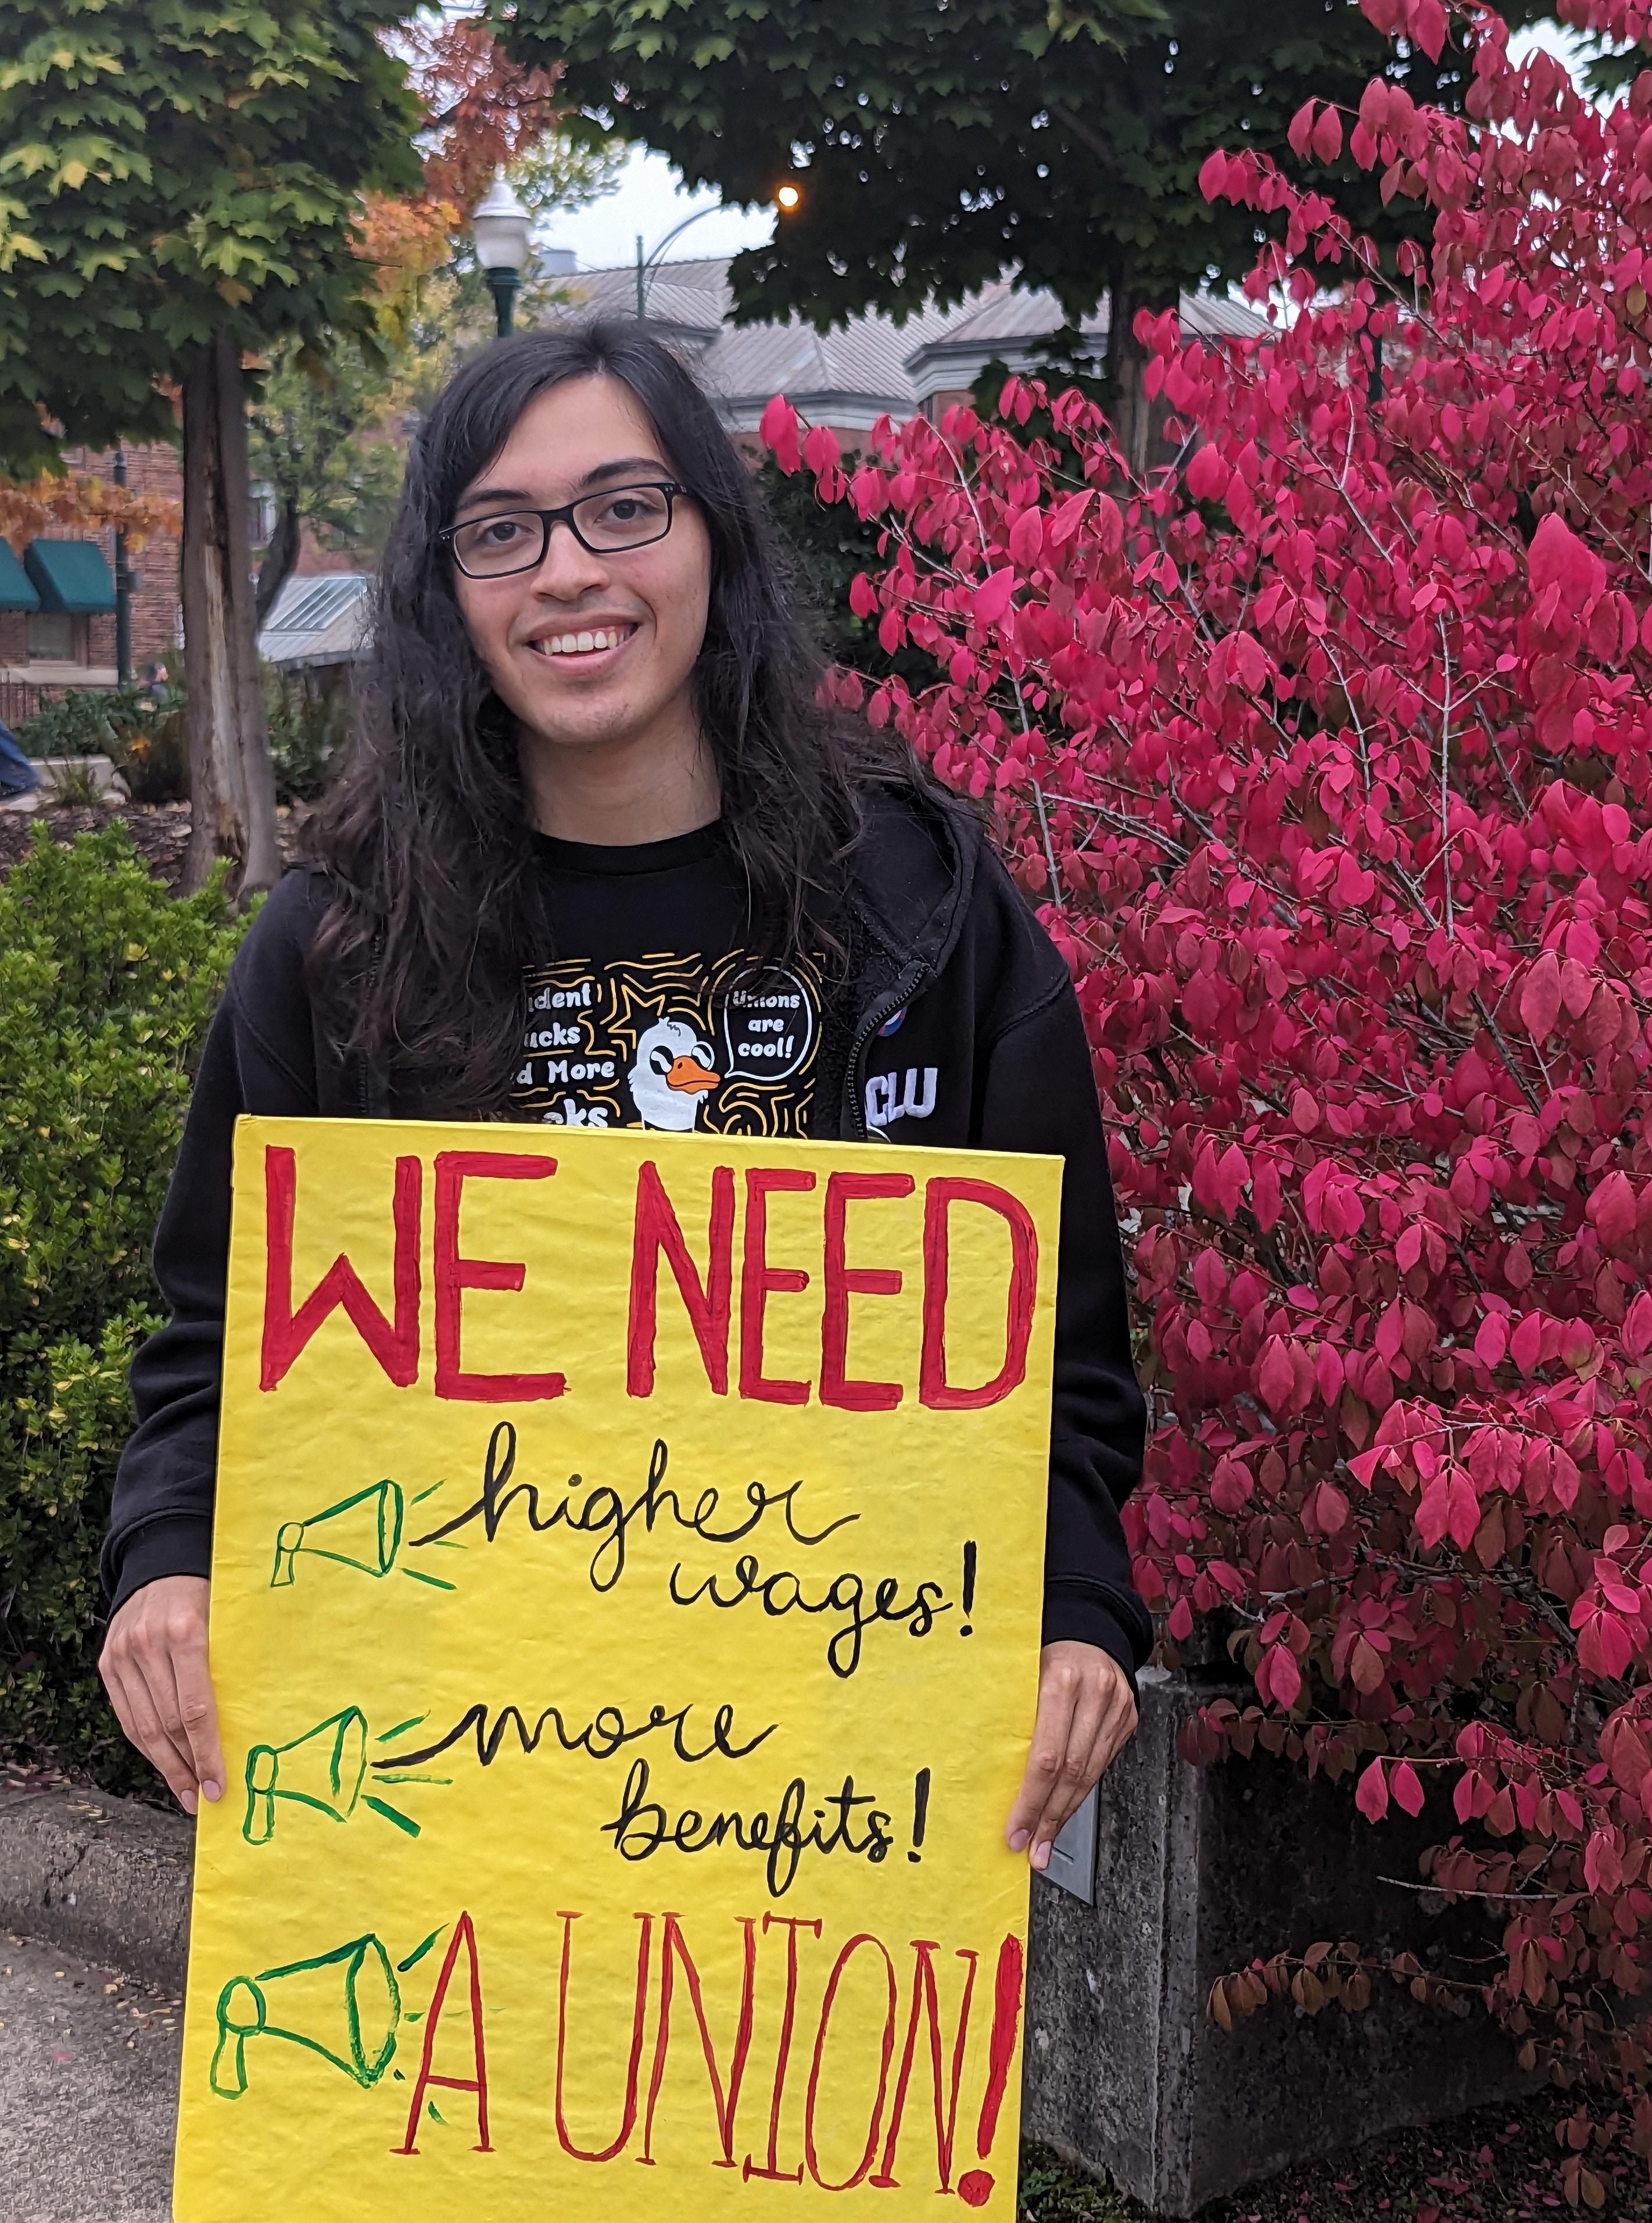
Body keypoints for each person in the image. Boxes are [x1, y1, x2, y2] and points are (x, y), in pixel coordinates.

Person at [98, 321, 1152, 1876]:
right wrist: (165, 1564)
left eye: (624, 507)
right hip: (442, 1775)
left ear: (713, 538)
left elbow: (1056, 1350)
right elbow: (218, 1340)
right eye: (504, 531)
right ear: (449, 593)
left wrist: (1075, 1607)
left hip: (834, 1783)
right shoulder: (334, 948)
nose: (570, 570)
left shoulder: (925, 916)